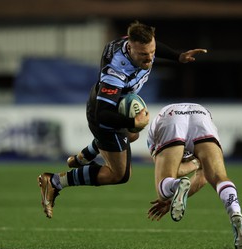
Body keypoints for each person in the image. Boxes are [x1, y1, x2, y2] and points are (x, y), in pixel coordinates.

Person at [37, 21, 207, 219]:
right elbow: (103, 114)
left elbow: (153, 46)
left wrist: (178, 56)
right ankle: (55, 181)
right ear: (131, 48)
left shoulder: (134, 42)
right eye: (144, 54)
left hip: (116, 105)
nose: (150, 57)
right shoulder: (116, 71)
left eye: (151, 51)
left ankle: (85, 155)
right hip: (105, 115)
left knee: (132, 136)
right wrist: (132, 122)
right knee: (120, 174)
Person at [146, 103, 242, 249]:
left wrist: (172, 196)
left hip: (170, 116)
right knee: (218, 176)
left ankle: (175, 187)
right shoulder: (194, 152)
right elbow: (203, 177)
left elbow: (176, 172)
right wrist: (197, 162)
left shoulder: (155, 138)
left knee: (163, 188)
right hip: (200, 113)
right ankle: (235, 210)